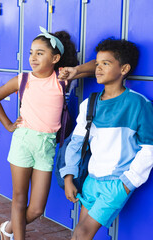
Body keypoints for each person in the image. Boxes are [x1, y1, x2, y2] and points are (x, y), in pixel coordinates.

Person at [0, 26, 79, 240]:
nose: (33, 57)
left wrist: (75, 70)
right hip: (23, 140)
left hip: (46, 145)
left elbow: (95, 67)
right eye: (31, 52)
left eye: (40, 53)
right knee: (19, 200)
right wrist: (9, 125)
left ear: (56, 57)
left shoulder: (61, 79)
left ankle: (8, 228)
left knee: (37, 208)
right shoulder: (23, 79)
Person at [60, 38, 153, 239]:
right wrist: (68, 176)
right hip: (91, 181)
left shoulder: (138, 104)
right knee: (78, 231)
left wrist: (128, 182)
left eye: (106, 63)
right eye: (97, 63)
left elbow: (149, 148)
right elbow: (75, 144)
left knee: (83, 233)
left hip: (117, 183)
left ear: (124, 68)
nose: (98, 68)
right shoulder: (90, 103)